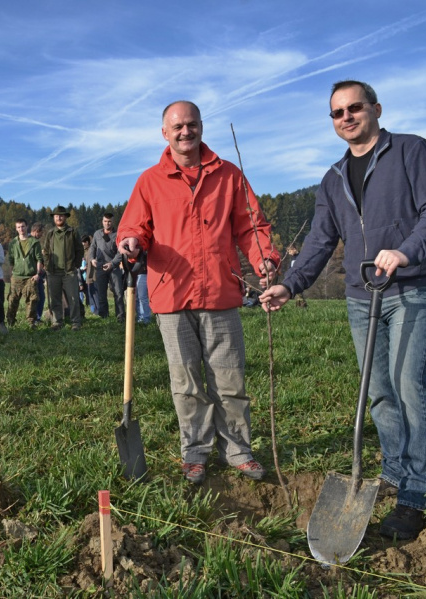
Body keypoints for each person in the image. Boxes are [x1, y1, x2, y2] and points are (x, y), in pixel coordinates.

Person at [259, 80, 426, 540]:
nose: (346, 117)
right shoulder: (332, 178)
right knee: (380, 392)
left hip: (408, 288)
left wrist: (405, 251)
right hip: (360, 296)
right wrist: (290, 284)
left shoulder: (412, 152)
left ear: (376, 109)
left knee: (409, 387)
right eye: (336, 113)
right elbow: (320, 242)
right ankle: (394, 470)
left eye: (354, 108)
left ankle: (418, 490)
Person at [117, 100, 279, 485]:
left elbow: (251, 226)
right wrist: (129, 241)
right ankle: (195, 453)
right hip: (170, 296)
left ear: (201, 127)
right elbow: (134, 226)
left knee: (229, 379)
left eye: (191, 124)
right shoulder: (149, 181)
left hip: (221, 293)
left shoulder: (228, 175)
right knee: (185, 381)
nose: (185, 132)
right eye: (177, 127)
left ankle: (238, 450)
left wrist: (264, 259)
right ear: (164, 133)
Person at [40, 206, 83, 331]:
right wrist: (47, 265)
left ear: (65, 217)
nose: (59, 217)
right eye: (56, 216)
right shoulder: (50, 233)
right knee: (55, 299)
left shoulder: (72, 232)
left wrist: (76, 264)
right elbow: (46, 251)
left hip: (69, 271)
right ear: (54, 218)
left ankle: (76, 322)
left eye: (61, 215)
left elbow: (79, 249)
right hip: (53, 272)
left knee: (73, 298)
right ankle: (57, 322)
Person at [6, 218, 44, 329]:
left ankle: (31, 322)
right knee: (12, 300)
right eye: (18, 227)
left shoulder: (34, 242)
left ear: (26, 227)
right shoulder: (13, 242)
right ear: (16, 229)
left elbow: (39, 259)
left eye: (22, 226)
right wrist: (11, 274)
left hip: (30, 276)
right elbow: (11, 259)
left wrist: (38, 274)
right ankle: (10, 321)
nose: (21, 229)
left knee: (32, 300)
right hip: (16, 276)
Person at [89, 213, 125, 321]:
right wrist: (92, 259)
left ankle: (120, 316)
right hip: (100, 267)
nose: (107, 223)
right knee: (101, 293)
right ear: (102, 221)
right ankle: (103, 316)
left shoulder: (118, 234)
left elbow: (121, 252)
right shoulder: (97, 234)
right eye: (105, 221)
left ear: (113, 222)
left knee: (118, 292)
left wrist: (112, 263)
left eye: (109, 221)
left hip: (114, 267)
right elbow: (92, 248)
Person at [31, 222, 46, 321]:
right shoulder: (31, 242)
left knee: (40, 296)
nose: (41, 235)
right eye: (41, 233)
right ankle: (35, 318)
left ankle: (36, 317)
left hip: (38, 274)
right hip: (33, 274)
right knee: (38, 297)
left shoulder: (35, 242)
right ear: (36, 231)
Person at [80, 235, 99, 315]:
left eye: (84, 243)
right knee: (90, 293)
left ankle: (97, 310)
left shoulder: (92, 251)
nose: (83, 245)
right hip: (87, 275)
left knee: (94, 293)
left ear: (87, 242)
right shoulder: (85, 251)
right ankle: (93, 309)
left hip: (93, 275)